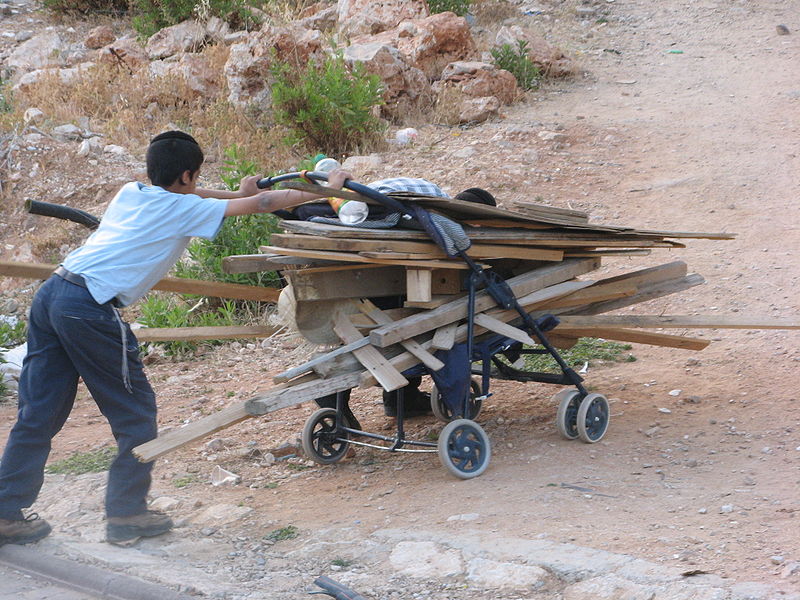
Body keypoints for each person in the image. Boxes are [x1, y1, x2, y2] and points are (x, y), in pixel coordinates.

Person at [0, 131, 351, 547]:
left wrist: (232, 191)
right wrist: (328, 189)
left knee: (38, 412)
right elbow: (263, 203)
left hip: (53, 294)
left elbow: (206, 194)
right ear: (188, 173)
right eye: (195, 176)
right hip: (89, 306)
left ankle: (6, 512)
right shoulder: (183, 208)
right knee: (135, 414)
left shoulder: (132, 191)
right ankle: (127, 513)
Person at [312, 178, 497, 422]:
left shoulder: (426, 204)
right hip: (389, 279)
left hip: (360, 270)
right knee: (411, 329)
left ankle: (402, 399)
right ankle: (397, 399)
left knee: (377, 328)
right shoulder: (442, 222)